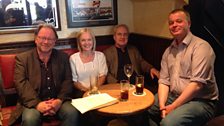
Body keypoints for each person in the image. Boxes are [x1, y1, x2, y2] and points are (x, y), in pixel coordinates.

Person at [147, 9, 218, 126]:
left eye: (179, 21)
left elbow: (196, 85)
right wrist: (162, 106)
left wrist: (173, 107)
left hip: (201, 101)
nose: (174, 25)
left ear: (188, 24)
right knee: (143, 109)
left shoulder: (201, 47)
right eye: (171, 23)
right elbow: (164, 82)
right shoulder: (168, 51)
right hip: (173, 96)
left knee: (168, 123)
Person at [9, 24, 79, 126]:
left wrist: (59, 101)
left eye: (50, 39)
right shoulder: (23, 59)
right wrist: (38, 104)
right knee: (30, 119)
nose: (46, 42)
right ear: (36, 39)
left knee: (72, 112)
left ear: (55, 41)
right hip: (32, 103)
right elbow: (20, 84)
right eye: (42, 38)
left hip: (59, 101)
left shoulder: (63, 57)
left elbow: (68, 80)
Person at [69, 28, 108, 97]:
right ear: (79, 43)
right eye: (83, 40)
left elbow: (102, 76)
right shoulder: (73, 58)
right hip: (81, 93)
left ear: (93, 41)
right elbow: (74, 81)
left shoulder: (100, 56)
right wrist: (87, 91)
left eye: (89, 40)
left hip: (98, 90)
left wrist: (94, 90)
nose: (87, 43)